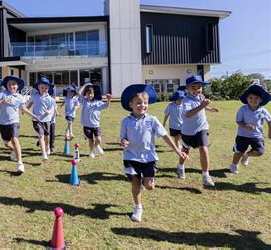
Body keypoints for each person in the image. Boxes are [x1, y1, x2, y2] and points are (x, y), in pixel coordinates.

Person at [120, 84, 189, 222]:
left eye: (145, 103)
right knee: (135, 182)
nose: (142, 105)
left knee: (149, 186)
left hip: (148, 158)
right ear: (131, 104)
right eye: (139, 103)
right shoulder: (126, 121)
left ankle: (145, 182)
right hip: (131, 157)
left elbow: (164, 136)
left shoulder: (152, 120)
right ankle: (138, 207)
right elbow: (123, 138)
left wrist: (177, 150)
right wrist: (123, 142)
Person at [0, 75, 39, 173]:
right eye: (9, 84)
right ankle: (14, 150)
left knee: (15, 140)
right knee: (6, 143)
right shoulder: (2, 94)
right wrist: (1, 101)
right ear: (6, 86)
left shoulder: (20, 97)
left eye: (14, 84)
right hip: (2, 123)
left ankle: (20, 163)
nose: (12, 86)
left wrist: (32, 115)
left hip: (14, 122)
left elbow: (23, 108)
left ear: (17, 86)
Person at [176, 75, 219, 187]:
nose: (197, 90)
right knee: (185, 151)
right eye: (193, 87)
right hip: (188, 131)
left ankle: (206, 176)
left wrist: (211, 109)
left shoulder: (201, 97)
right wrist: (202, 105)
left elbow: (203, 107)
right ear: (187, 89)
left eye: (199, 87)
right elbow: (188, 114)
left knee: (204, 149)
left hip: (202, 128)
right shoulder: (186, 100)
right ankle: (180, 166)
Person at [230, 85, 271, 173]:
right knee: (239, 152)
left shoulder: (263, 110)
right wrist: (245, 126)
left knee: (260, 151)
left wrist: (270, 132)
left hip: (257, 136)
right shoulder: (243, 109)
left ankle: (247, 155)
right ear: (247, 99)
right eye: (251, 98)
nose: (253, 100)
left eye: (256, 98)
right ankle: (234, 165)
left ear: (260, 100)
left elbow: (270, 120)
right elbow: (238, 121)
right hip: (242, 135)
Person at [26, 78, 57, 160]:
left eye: (46, 88)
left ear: (48, 89)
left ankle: (47, 147)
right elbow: (30, 103)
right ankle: (43, 154)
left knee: (47, 136)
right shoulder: (34, 96)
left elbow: (52, 108)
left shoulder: (50, 99)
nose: (44, 89)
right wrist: (26, 109)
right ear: (38, 87)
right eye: (42, 87)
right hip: (36, 120)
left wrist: (49, 111)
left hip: (46, 120)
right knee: (40, 136)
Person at [78, 83, 112, 158]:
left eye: (91, 94)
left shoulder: (98, 102)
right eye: (88, 93)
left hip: (96, 125)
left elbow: (106, 106)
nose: (90, 95)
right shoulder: (84, 101)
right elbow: (79, 93)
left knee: (99, 139)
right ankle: (91, 151)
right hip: (87, 125)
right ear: (85, 94)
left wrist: (108, 99)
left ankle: (96, 145)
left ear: (94, 94)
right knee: (90, 140)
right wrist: (85, 85)